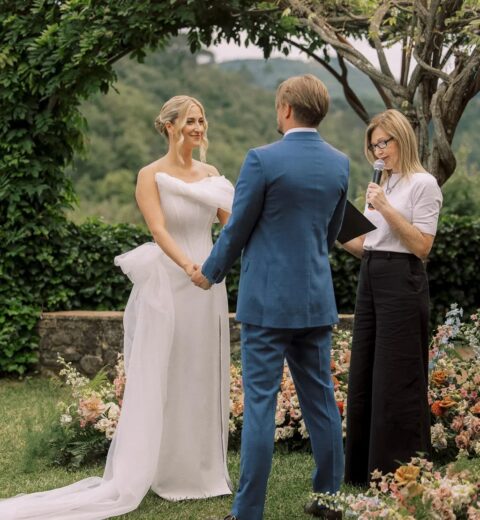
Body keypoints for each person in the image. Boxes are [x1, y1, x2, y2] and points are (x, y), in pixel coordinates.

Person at [0, 95, 234, 518]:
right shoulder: (150, 175)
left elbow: (228, 225)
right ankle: (161, 469)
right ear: (168, 126)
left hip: (208, 286)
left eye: (202, 120)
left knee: (201, 369)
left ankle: (201, 471)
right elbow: (158, 230)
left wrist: (218, 265)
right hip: (174, 281)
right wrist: (189, 267)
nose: (198, 128)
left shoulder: (212, 174)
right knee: (166, 371)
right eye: (190, 121)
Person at [191, 74, 349, 520]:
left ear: (285, 109)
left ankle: (248, 513)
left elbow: (237, 227)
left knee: (260, 405)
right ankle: (329, 501)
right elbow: (332, 233)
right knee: (321, 402)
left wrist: (210, 272)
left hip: (266, 303)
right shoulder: (340, 163)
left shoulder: (261, 159)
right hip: (316, 300)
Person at [341, 109, 443, 485]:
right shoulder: (384, 184)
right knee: (365, 370)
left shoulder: (423, 183)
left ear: (402, 138)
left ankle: (399, 469)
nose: (379, 152)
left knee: (396, 375)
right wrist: (334, 226)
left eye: (384, 143)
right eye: (373, 146)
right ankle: (362, 470)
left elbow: (421, 245)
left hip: (402, 281)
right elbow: (369, 244)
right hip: (372, 276)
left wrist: (383, 206)